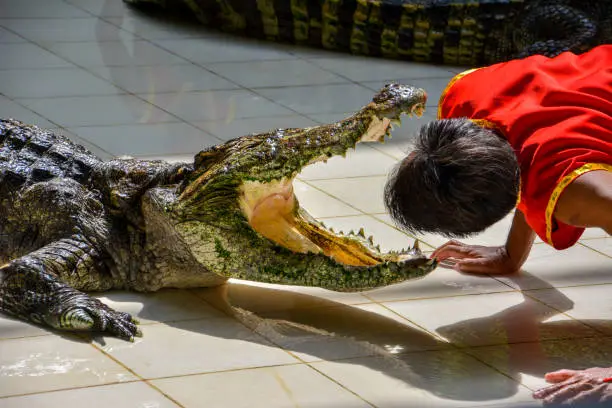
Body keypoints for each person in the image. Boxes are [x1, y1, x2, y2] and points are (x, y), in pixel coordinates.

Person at [384, 44, 612, 406]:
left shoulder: (583, 197)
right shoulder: (465, 98)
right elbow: (530, 148)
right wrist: (511, 253)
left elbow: (544, 171)